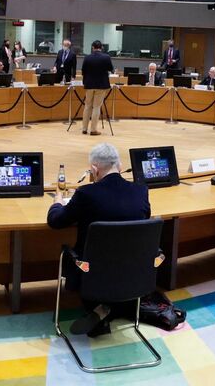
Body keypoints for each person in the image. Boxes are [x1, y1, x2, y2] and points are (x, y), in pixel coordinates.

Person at [46, 142, 150, 337]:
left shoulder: (86, 194)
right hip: (133, 271)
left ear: (94, 169)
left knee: (75, 253)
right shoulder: (141, 191)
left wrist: (57, 203)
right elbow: (144, 219)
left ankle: (100, 309)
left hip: (91, 272)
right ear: (119, 166)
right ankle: (114, 307)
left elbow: (56, 221)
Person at [80, 40, 113, 135]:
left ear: (92, 47)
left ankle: (84, 128)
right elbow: (110, 68)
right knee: (96, 107)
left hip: (89, 84)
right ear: (101, 47)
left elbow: (83, 71)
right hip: (101, 85)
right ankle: (93, 129)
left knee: (87, 106)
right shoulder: (106, 57)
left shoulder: (87, 57)